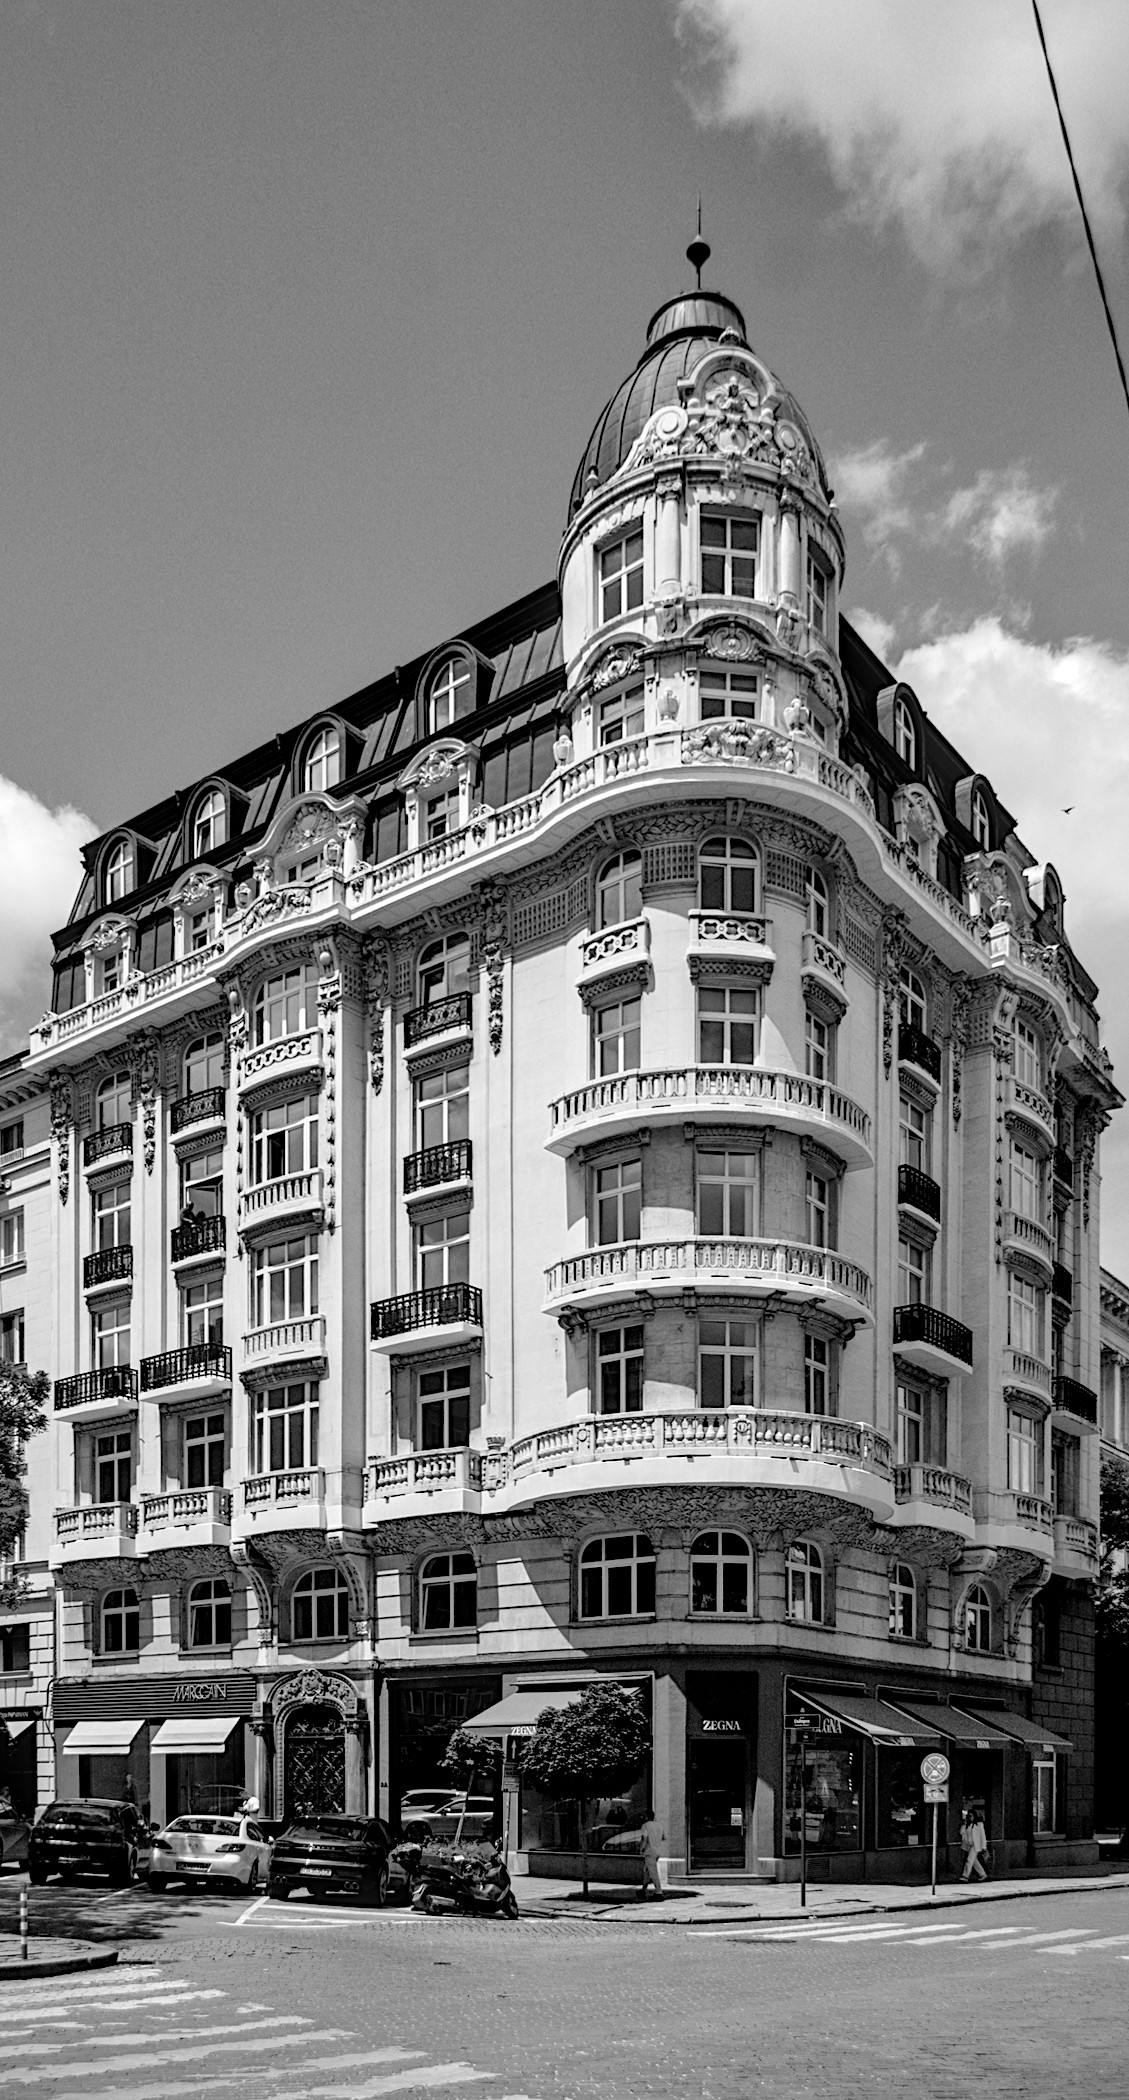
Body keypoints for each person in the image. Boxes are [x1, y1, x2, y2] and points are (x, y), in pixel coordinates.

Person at [638, 1805, 664, 1899]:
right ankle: (643, 1890)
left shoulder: (645, 1826)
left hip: (649, 1851)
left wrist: (641, 1848)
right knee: (647, 1870)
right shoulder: (659, 1825)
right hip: (658, 1850)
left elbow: (644, 1839)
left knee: (653, 1872)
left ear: (647, 1817)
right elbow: (663, 1837)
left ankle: (658, 1892)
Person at [960, 1804, 989, 1882]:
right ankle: (983, 1875)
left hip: (976, 1846)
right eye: (969, 1816)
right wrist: (964, 1824)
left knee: (969, 1860)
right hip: (969, 1845)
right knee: (974, 1861)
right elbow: (961, 1832)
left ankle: (965, 1876)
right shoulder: (967, 1825)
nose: (970, 1818)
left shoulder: (979, 1825)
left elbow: (982, 1836)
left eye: (971, 1816)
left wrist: (984, 1846)